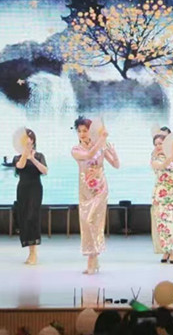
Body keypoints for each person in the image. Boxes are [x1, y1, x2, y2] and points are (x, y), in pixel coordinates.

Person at [71, 116, 120, 274]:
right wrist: (101, 140)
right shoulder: (76, 150)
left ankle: (92, 260)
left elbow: (116, 165)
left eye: (85, 131)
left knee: (94, 221)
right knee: (86, 222)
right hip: (85, 189)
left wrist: (112, 151)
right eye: (79, 131)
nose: (82, 134)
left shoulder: (100, 147)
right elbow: (88, 155)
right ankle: (94, 258)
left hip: (100, 188)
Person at [13, 128, 48, 265]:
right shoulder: (17, 157)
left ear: (33, 141)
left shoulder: (39, 156)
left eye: (29, 139)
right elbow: (20, 166)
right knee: (24, 218)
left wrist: (32, 158)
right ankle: (29, 251)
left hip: (35, 189)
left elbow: (44, 171)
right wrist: (25, 153)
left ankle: (34, 253)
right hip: (23, 189)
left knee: (33, 217)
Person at [150, 133, 173, 263]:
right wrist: (172, 156)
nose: (158, 146)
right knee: (161, 225)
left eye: (161, 143)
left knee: (171, 223)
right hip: (160, 196)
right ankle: (166, 251)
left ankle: (171, 251)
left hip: (172, 196)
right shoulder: (155, 159)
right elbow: (162, 165)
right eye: (156, 144)